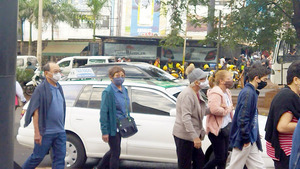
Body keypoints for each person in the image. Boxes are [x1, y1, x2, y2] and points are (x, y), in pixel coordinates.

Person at [22, 62, 66, 169]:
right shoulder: (41, 90)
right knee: (37, 157)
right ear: (47, 73)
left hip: (60, 131)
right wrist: (37, 133)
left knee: (59, 159)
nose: (58, 74)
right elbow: (35, 112)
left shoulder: (59, 87)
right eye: (55, 72)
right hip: (45, 132)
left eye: (59, 71)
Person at [227, 64, 271, 169]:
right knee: (235, 166)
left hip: (249, 137)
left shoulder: (249, 92)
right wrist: (246, 137)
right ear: (257, 78)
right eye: (264, 79)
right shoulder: (249, 93)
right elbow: (243, 118)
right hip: (244, 139)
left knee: (257, 166)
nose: (266, 82)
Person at [265, 60, 300, 169]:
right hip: (287, 152)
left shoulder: (288, 94)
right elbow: (282, 126)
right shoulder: (288, 97)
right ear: (296, 80)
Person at [94, 66, 130, 169]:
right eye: (117, 76)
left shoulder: (124, 90)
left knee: (114, 150)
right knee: (116, 153)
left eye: (122, 76)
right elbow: (104, 112)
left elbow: (125, 107)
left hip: (122, 125)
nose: (120, 78)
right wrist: (105, 131)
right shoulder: (108, 92)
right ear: (111, 77)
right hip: (113, 127)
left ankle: (99, 167)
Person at [173, 64, 208, 169]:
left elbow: (201, 110)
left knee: (200, 162)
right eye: (203, 79)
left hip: (193, 135)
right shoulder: (187, 95)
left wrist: (217, 109)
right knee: (185, 165)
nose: (206, 81)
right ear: (196, 81)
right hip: (185, 136)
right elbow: (186, 118)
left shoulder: (197, 93)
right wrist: (195, 137)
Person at [203, 70, 234, 169]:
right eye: (228, 79)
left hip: (226, 128)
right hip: (216, 130)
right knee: (219, 157)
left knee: (224, 157)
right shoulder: (216, 92)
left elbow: (229, 106)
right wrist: (227, 109)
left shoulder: (227, 92)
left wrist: (226, 108)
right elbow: (214, 109)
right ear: (221, 81)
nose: (231, 80)